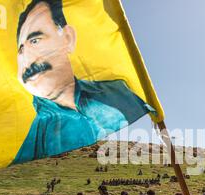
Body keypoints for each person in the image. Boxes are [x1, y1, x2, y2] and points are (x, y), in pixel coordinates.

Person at [13, 0, 156, 164]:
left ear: (68, 38)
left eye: (35, 40)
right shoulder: (32, 142)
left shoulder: (118, 93)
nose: (27, 59)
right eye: (21, 50)